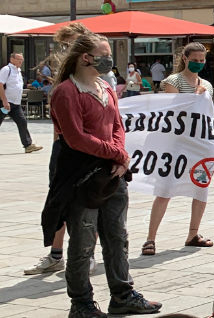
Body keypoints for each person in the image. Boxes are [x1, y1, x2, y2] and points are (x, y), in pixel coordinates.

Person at [46, 32, 161, 318]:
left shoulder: (105, 87)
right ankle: (81, 304)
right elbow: (75, 138)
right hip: (82, 176)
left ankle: (122, 295)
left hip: (112, 173)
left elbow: (117, 126)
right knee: (84, 242)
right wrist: (117, 154)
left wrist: (120, 154)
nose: (109, 58)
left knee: (117, 236)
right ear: (86, 57)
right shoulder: (66, 92)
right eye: (104, 52)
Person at [26, 23, 92, 276]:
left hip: (90, 148)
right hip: (63, 146)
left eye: (73, 44)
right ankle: (56, 255)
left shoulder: (97, 77)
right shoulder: (62, 78)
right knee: (58, 200)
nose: (67, 50)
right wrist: (57, 145)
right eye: (65, 45)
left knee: (88, 202)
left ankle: (86, 255)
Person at [143, 43, 214, 254]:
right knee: (165, 190)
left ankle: (193, 233)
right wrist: (195, 95)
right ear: (185, 58)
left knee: (201, 188)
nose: (199, 63)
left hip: (200, 145)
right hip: (176, 146)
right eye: (196, 59)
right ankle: (150, 238)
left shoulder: (207, 84)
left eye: (202, 60)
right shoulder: (173, 81)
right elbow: (172, 111)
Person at [1, 52, 43, 153]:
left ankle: (28, 145)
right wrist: (4, 101)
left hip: (15, 104)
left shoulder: (18, 71)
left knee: (22, 122)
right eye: (19, 59)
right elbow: (0, 84)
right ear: (12, 59)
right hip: (5, 103)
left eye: (22, 60)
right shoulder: (7, 69)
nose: (21, 62)